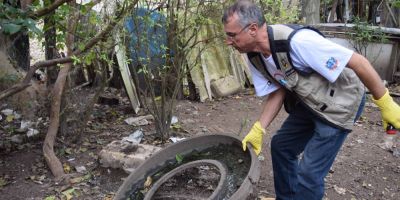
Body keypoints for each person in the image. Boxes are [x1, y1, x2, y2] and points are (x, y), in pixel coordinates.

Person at [222, 1, 400, 199]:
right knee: (282, 147)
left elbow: (359, 62)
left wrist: (385, 103)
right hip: (312, 103)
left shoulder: (299, 42)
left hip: (340, 105)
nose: (228, 41)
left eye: (232, 35)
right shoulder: (255, 56)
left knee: (309, 173)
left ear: (253, 29)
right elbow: (279, 86)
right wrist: (259, 128)